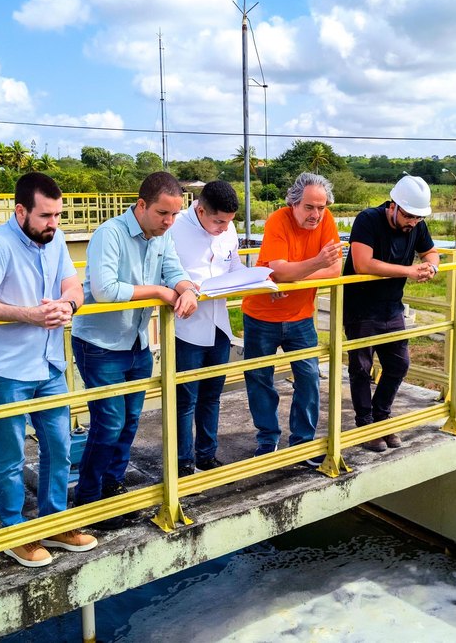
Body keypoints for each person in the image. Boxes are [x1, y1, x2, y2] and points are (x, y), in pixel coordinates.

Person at [0, 172, 97, 568]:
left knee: (58, 447)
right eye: (45, 216)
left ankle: (55, 521)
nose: (53, 223)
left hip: (50, 364)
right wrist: (28, 315)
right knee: (10, 456)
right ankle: (15, 531)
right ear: (20, 211)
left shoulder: (53, 241)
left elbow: (74, 286)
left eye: (58, 215)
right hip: (7, 371)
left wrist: (67, 306)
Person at [72, 171, 198, 528]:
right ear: (141, 205)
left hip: (137, 342)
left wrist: (187, 289)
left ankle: (113, 485)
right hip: (100, 344)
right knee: (108, 422)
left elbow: (174, 270)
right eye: (163, 214)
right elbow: (106, 289)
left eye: (174, 215)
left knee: (128, 421)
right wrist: (159, 292)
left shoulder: (161, 236)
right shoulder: (108, 234)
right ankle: (89, 499)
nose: (169, 222)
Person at [241, 172, 342, 462]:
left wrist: (292, 277)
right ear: (294, 203)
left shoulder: (328, 221)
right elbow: (280, 269)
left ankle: (302, 443)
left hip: (300, 316)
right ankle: (267, 438)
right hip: (261, 316)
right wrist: (313, 265)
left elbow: (334, 271)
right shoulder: (278, 221)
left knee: (309, 377)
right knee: (259, 378)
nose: (316, 214)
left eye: (321, 207)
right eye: (309, 207)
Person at [342, 175, 439, 452]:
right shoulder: (368, 220)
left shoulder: (417, 224)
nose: (412, 223)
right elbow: (362, 264)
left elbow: (431, 253)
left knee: (398, 365)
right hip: (361, 308)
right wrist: (409, 271)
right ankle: (366, 425)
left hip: (391, 307)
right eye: (408, 216)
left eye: (418, 219)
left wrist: (431, 267)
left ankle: (381, 417)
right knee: (361, 368)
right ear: (393, 206)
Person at [169, 181, 242, 476]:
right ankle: (183, 461)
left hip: (220, 325)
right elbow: (166, 274)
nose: (224, 228)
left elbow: (234, 266)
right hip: (186, 328)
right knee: (185, 397)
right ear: (200, 210)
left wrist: (259, 280)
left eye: (229, 222)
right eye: (218, 222)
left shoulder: (228, 229)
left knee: (213, 394)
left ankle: (207, 454)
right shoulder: (174, 229)